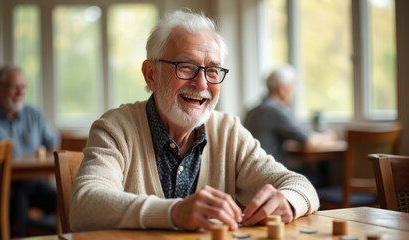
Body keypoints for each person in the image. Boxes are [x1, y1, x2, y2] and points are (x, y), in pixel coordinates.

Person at [70, 9, 319, 232]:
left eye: (212, 70)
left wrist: (287, 201)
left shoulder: (228, 131)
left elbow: (299, 185)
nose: (201, 84)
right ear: (151, 74)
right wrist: (173, 213)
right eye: (186, 67)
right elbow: (84, 205)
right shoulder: (116, 128)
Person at [0, 64, 59, 237]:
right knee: (17, 199)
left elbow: (53, 142)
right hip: (0, 189)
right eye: (14, 88)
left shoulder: (33, 114)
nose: (20, 92)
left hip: (34, 183)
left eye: (23, 87)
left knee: (66, 201)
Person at [244, 65, 337, 184]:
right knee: (319, 179)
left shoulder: (252, 111)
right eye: (293, 86)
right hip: (270, 176)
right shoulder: (276, 110)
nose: (295, 91)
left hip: (249, 175)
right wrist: (330, 135)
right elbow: (309, 142)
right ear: (282, 88)